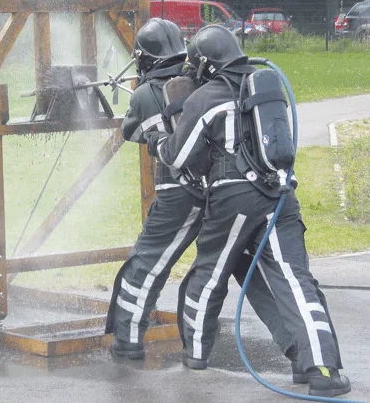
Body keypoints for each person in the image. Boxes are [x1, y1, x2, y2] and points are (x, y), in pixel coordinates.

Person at [155, 24, 350, 398]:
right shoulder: (265, 86)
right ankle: (320, 368)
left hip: (234, 201)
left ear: (206, 64)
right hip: (280, 197)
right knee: (294, 280)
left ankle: (195, 354)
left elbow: (179, 157)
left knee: (211, 273)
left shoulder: (206, 97)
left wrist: (159, 143)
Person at [105, 19, 298, 379]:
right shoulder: (208, 80)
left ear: (145, 58)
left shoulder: (146, 93)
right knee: (250, 270)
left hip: (180, 191)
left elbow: (131, 131)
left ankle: (128, 341)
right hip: (228, 191)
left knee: (149, 261)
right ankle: (300, 351)